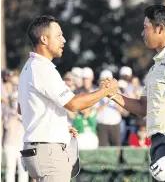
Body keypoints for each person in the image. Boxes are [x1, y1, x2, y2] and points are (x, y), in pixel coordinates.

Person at [101, 5, 165, 181]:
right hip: (159, 140)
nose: (142, 33)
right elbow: (142, 107)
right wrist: (113, 94)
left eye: (146, 27)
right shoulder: (155, 67)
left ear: (160, 29)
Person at [17, 15, 118, 182]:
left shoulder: (28, 67)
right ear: (44, 39)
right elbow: (73, 104)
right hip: (49, 154)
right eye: (58, 35)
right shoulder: (43, 69)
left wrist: (57, 126)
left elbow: (22, 109)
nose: (63, 40)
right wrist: (105, 91)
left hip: (36, 152)